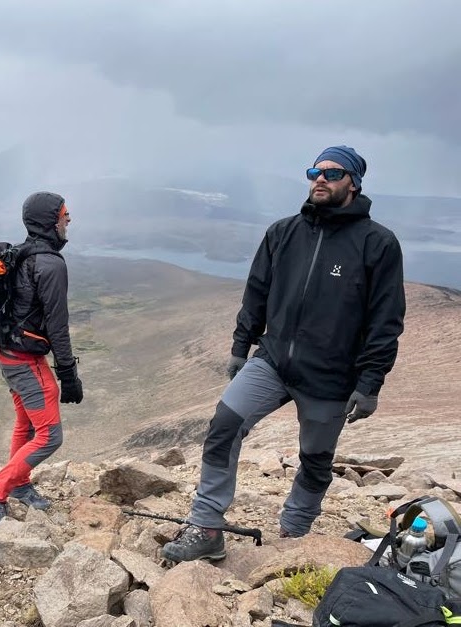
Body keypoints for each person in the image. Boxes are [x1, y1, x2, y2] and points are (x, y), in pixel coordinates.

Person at [162, 145, 406, 563]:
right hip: (273, 360)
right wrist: (241, 346)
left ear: (354, 183)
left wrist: (370, 384)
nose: (320, 178)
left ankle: (294, 536)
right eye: (315, 171)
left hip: (331, 377)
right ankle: (206, 527)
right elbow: (256, 292)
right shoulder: (283, 232)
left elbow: (386, 321)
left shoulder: (377, 244)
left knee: (315, 460)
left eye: (333, 172)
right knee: (224, 425)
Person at [0, 192, 84, 529]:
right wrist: (68, 374)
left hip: (8, 353)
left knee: (27, 424)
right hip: (25, 360)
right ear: (51, 220)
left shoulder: (22, 254)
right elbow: (57, 325)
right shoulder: (50, 264)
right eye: (64, 214)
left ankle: (20, 484)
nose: (69, 219)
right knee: (49, 435)